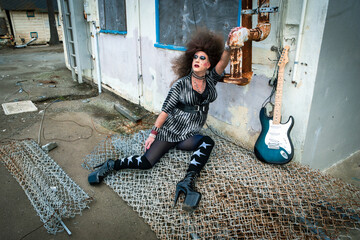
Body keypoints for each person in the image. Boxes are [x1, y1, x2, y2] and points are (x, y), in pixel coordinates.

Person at [88, 27, 237, 212]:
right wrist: (153, 134)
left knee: (207, 142)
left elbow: (223, 62)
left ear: (208, 64)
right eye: (195, 57)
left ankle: (187, 181)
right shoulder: (181, 85)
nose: (197, 61)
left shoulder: (211, 80)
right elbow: (165, 111)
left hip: (188, 134)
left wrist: (229, 46)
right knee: (146, 163)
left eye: (202, 58)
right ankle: (111, 164)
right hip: (171, 130)